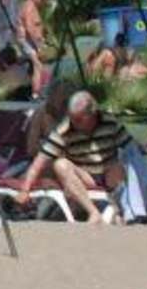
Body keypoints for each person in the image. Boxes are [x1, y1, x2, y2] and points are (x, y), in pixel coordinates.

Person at [16, 89, 129, 223]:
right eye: (72, 118)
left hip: (110, 172)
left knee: (119, 164)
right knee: (60, 164)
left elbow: (131, 148)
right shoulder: (64, 130)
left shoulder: (110, 122)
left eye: (79, 119)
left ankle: (121, 209)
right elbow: (39, 162)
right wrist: (25, 189)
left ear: (92, 114)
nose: (74, 122)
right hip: (85, 176)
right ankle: (93, 212)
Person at [16, 0, 53, 95]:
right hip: (27, 41)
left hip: (29, 41)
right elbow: (29, 28)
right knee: (38, 65)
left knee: (36, 66)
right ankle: (37, 92)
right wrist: (38, 44)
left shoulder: (32, 7)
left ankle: (35, 92)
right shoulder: (29, 8)